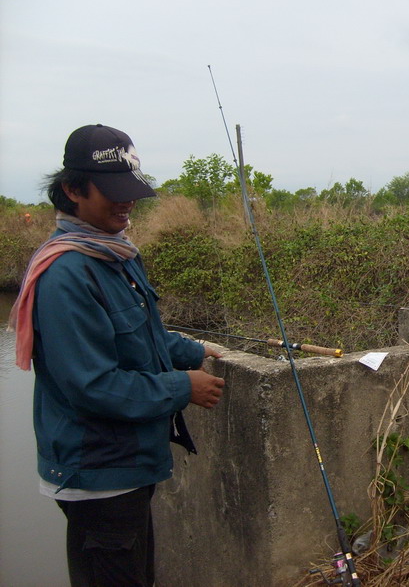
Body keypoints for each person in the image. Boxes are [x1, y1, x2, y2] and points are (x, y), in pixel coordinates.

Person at [9, 124, 226, 586]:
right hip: (98, 474)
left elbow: (142, 335)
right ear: (72, 189)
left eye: (131, 191)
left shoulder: (116, 255)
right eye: (112, 191)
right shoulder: (67, 273)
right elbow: (93, 385)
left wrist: (194, 350)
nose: (126, 203)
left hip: (129, 463)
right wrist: (181, 386)